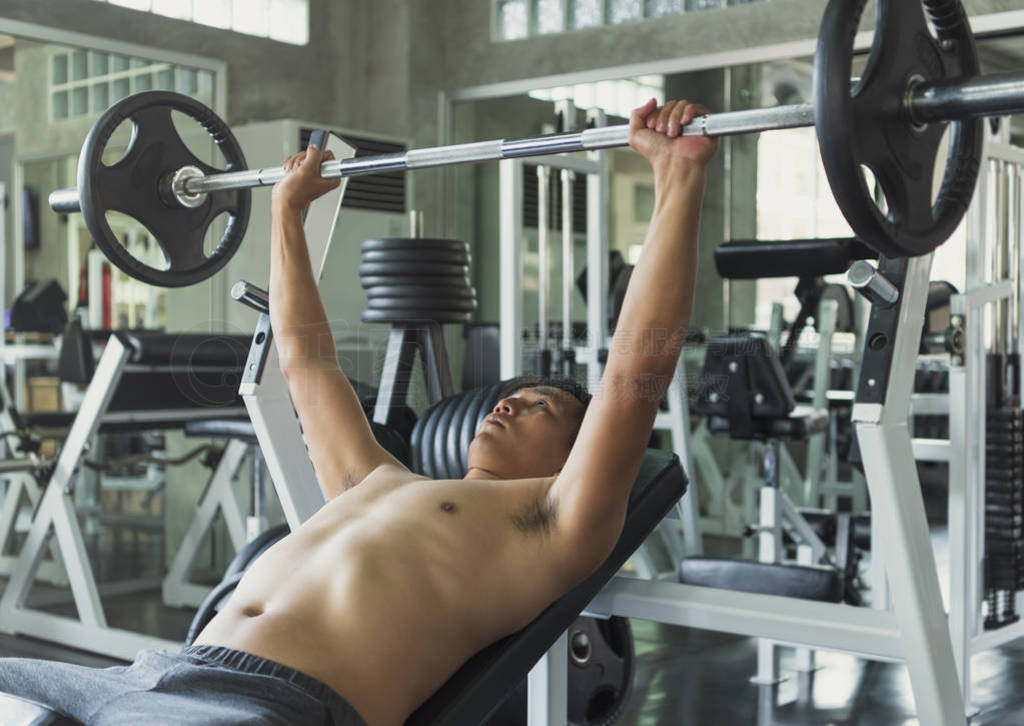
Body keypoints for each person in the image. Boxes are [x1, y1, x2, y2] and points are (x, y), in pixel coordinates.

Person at [0, 98, 717, 726]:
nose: (508, 401)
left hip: (263, 707)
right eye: (511, 394)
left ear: (576, 451)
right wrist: (287, 211)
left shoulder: (554, 524)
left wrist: (677, 179)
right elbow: (306, 365)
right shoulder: (375, 478)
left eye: (540, 406)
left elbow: (634, 374)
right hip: (150, 675)